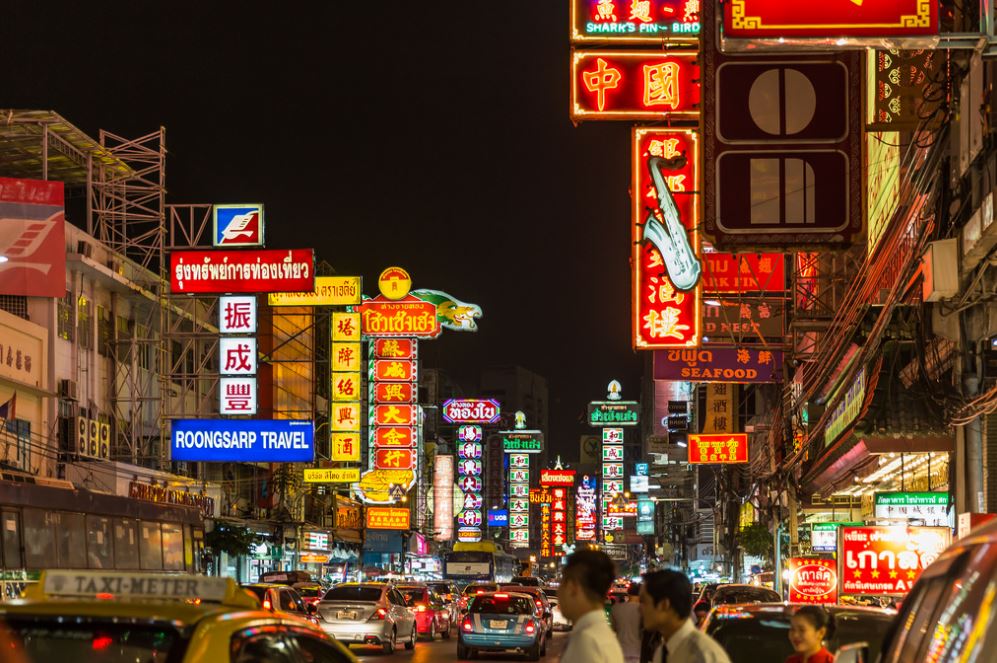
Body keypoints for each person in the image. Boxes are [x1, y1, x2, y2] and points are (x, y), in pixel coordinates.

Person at [639, 569, 731, 663]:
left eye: (644, 602)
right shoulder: (662, 652)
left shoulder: (703, 655)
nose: (639, 609)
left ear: (664, 605)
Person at [559, 549, 625, 663]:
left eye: (561, 583)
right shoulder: (601, 636)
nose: (558, 592)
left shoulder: (586, 641)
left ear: (572, 587)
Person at [611, 583, 643, 663]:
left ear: (628, 593)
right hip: (639, 652)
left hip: (620, 651)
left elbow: (612, 630)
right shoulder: (644, 610)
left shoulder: (615, 608)